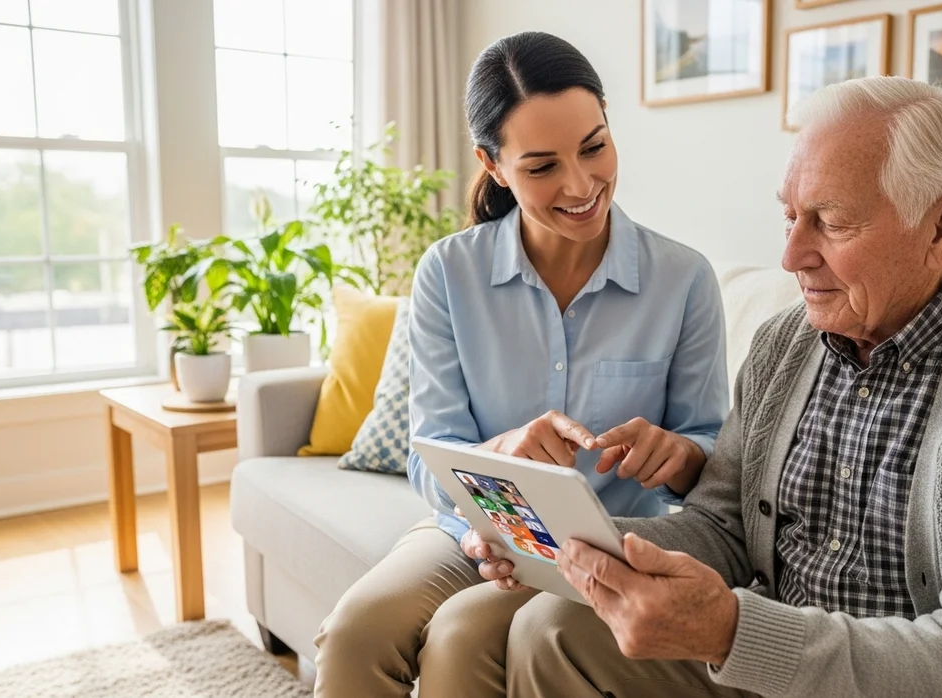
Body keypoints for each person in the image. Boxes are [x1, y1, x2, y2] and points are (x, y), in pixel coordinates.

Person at [452, 76, 942, 698]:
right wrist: (563, 545)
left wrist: (730, 631)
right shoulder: (785, 344)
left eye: (830, 224)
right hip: (775, 666)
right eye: (790, 216)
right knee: (552, 628)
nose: (790, 256)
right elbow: (722, 528)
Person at [311, 31, 730, 697]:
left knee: (459, 639)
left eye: (594, 147)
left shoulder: (683, 280)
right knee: (352, 635)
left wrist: (676, 455)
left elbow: (712, 452)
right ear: (493, 164)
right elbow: (429, 455)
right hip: (468, 532)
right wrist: (500, 458)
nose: (581, 184)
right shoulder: (449, 273)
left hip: (602, 548)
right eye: (541, 167)